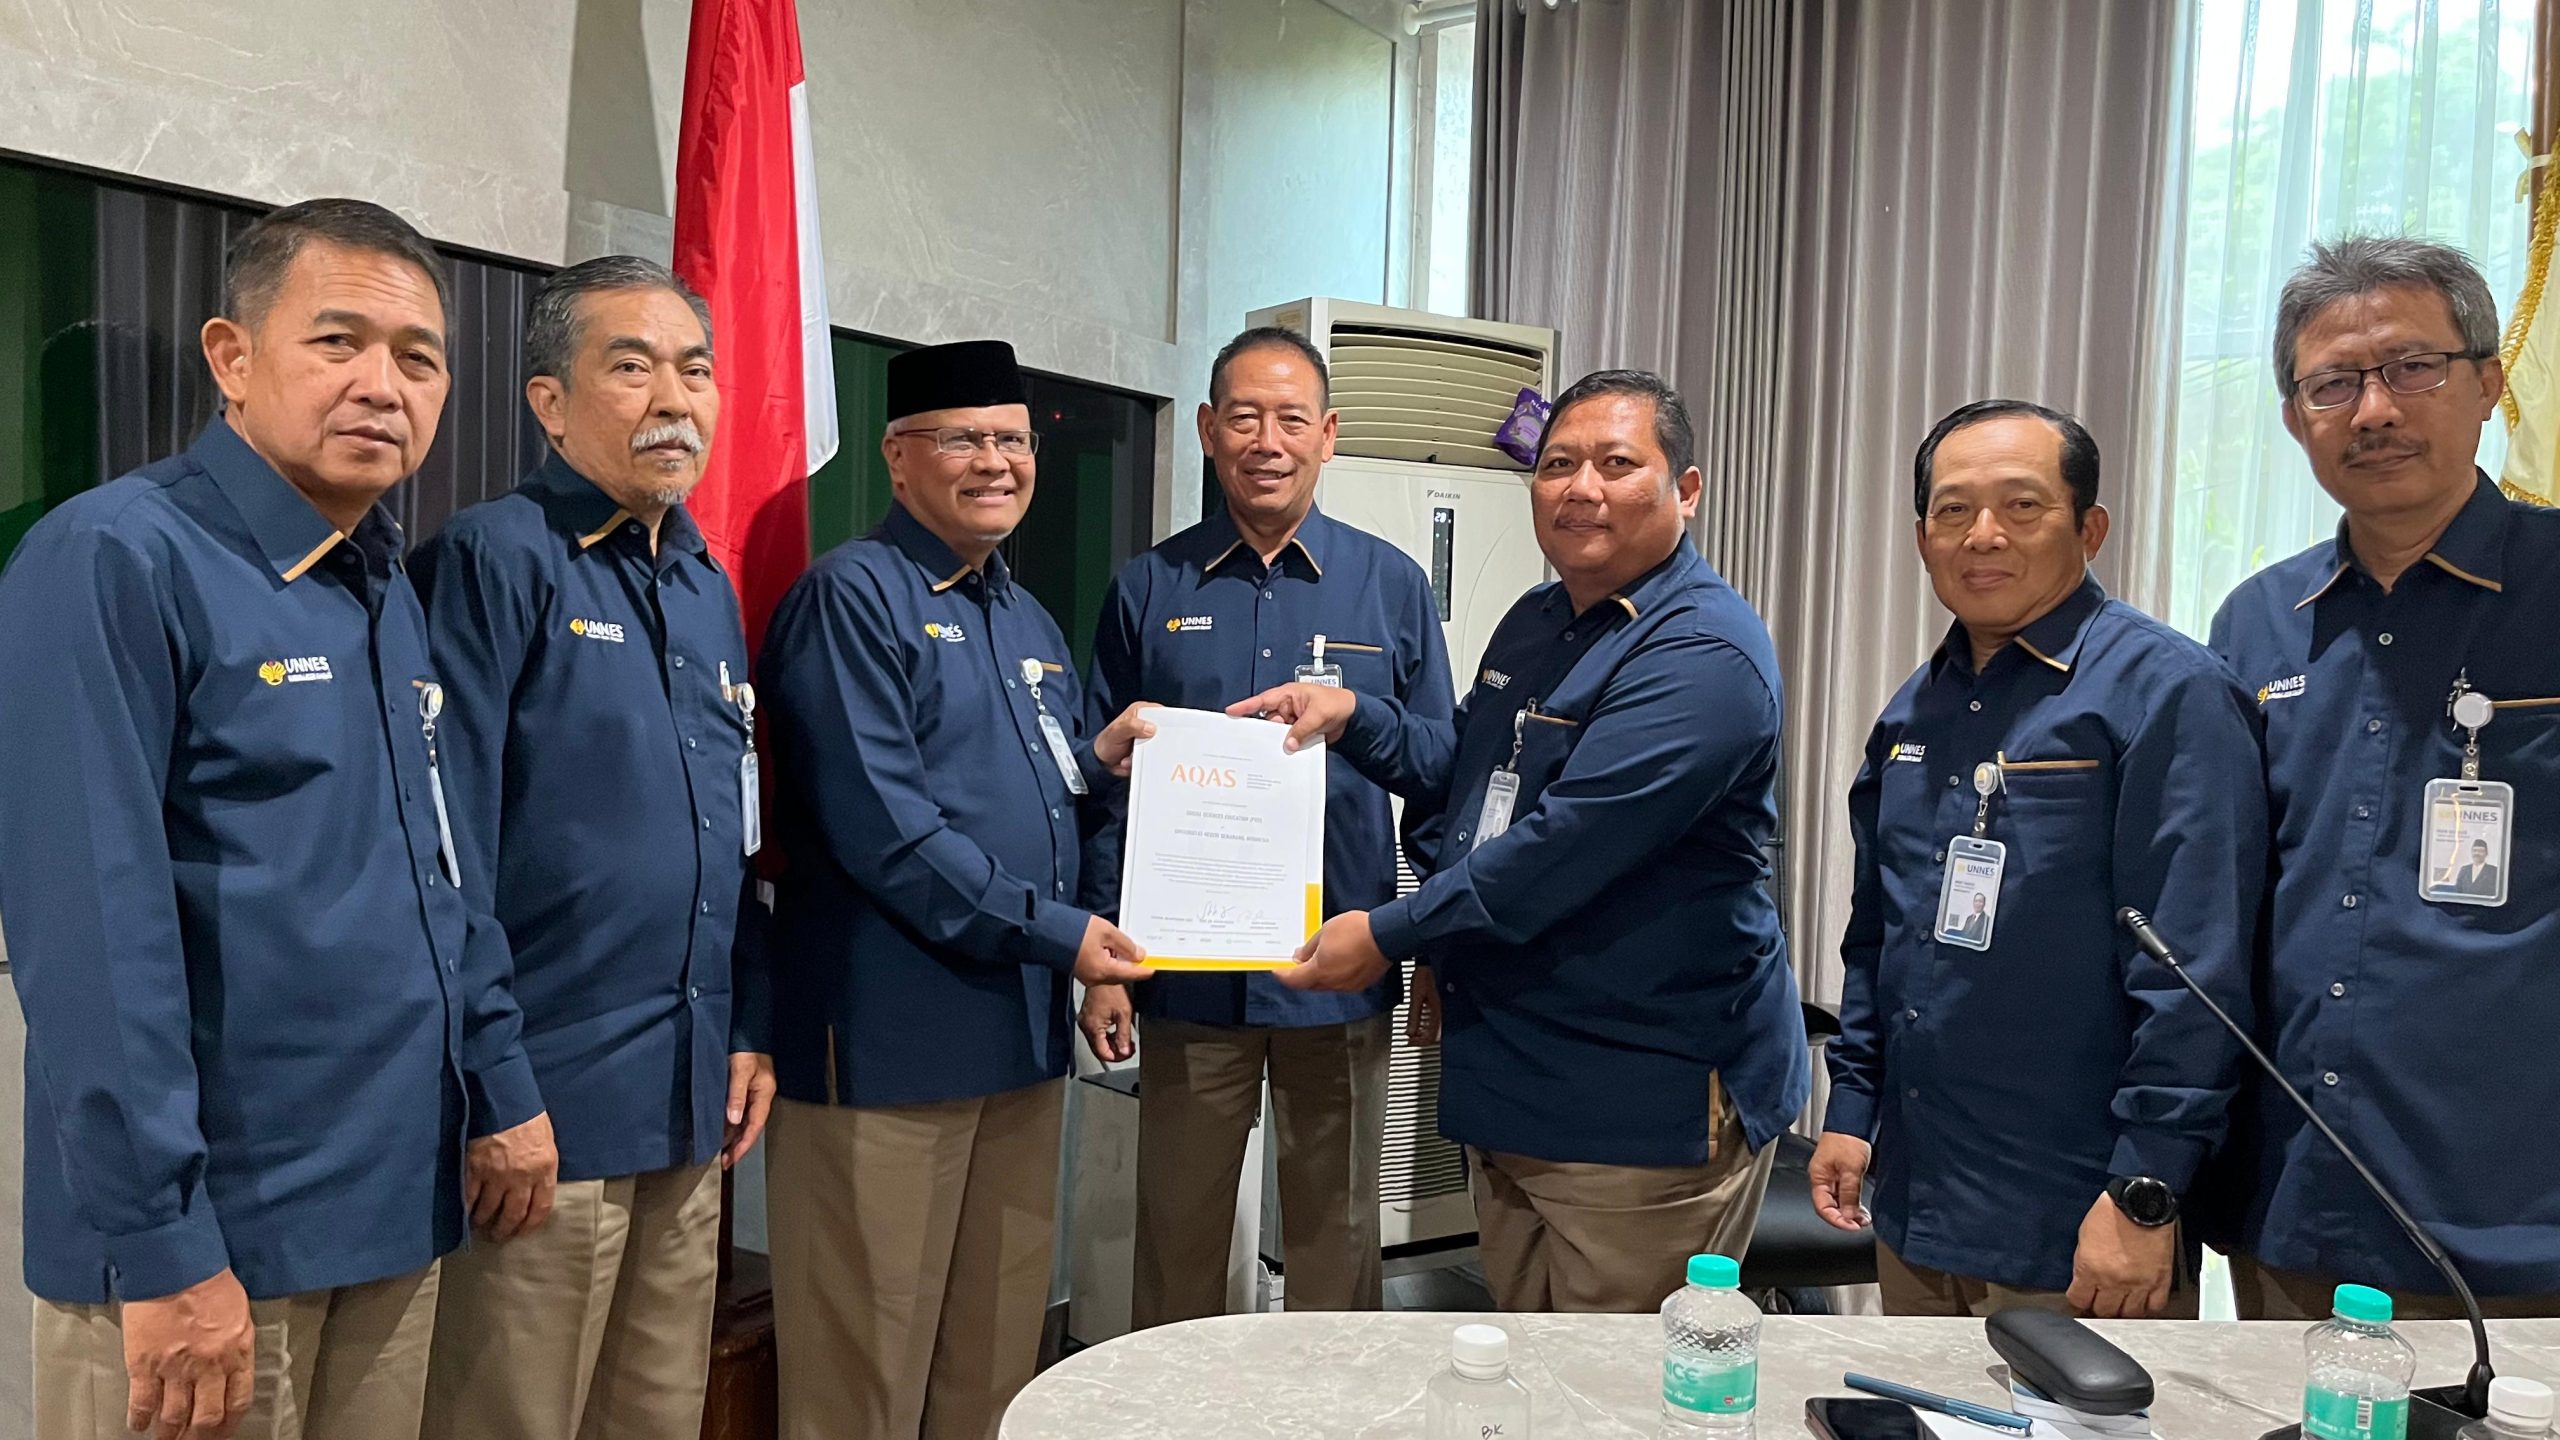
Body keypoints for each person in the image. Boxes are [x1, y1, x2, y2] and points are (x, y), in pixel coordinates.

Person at [0, 198, 556, 1440]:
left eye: (418, 358)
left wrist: (496, 1083)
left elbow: (437, 871)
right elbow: (92, 938)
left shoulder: (379, 579)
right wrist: (164, 1245)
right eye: (336, 341)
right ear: (232, 357)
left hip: (390, 1210)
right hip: (211, 1247)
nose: (382, 386)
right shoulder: (113, 557)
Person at [1233, 369, 1810, 1313]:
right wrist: (1354, 718)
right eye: (1558, 465)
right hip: (1510, 1077)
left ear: (1686, 489)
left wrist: (1386, 934)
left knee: (1615, 1380)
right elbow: (1469, 769)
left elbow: (1559, 849)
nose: (1581, 488)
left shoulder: (1702, 652)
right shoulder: (1540, 619)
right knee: (1524, 1354)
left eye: (1616, 464)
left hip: (1638, 1102)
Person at [756, 339, 1159, 1439]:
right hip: (887, 1054)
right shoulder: (851, 599)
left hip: (1020, 1051)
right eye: (964, 439)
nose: (997, 462)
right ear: (898, 457)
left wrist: (1095, 949)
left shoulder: (1026, 620)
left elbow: (1051, 796)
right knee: (863, 1378)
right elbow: (887, 833)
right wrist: (1065, 934)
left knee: (993, 1363)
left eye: (1014, 440)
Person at [411, 256, 773, 1440]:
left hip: (686, 1103)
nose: (674, 399)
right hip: (543, 1120)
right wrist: (497, 1092)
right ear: (550, 402)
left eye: (696, 370)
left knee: (658, 1416)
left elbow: (729, 835)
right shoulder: (493, 559)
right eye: (631, 367)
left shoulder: (706, 583)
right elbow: (443, 850)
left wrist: (747, 1023)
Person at [1807, 399, 2263, 1319]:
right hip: (1917, 1194)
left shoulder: (2167, 693)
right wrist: (1853, 1109)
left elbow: (2195, 972)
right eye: (1952, 510)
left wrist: (2146, 1185)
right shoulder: (1915, 711)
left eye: (2022, 506)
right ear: (1923, 538)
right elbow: (1880, 936)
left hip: (2078, 1214)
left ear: (2089, 528)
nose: (1983, 535)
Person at [2207, 234, 2560, 1318]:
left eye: (2412, 367)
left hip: (2518, 1207)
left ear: (2489, 384)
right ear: (2293, 417)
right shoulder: (2257, 623)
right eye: (2334, 383)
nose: (2373, 410)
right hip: (2295, 1199)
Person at [1077, 327, 1454, 1326]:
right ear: (1208, 430)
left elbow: (1440, 773)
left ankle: (1330, 1408)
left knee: (1338, 1243)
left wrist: (1434, 947)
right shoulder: (1148, 587)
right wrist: (1103, 964)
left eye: (1291, 418)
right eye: (1244, 417)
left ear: (1328, 434)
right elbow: (1107, 791)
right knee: (1178, 1239)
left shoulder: (1390, 585)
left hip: (1336, 970)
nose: (1267, 441)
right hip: (1186, 977)